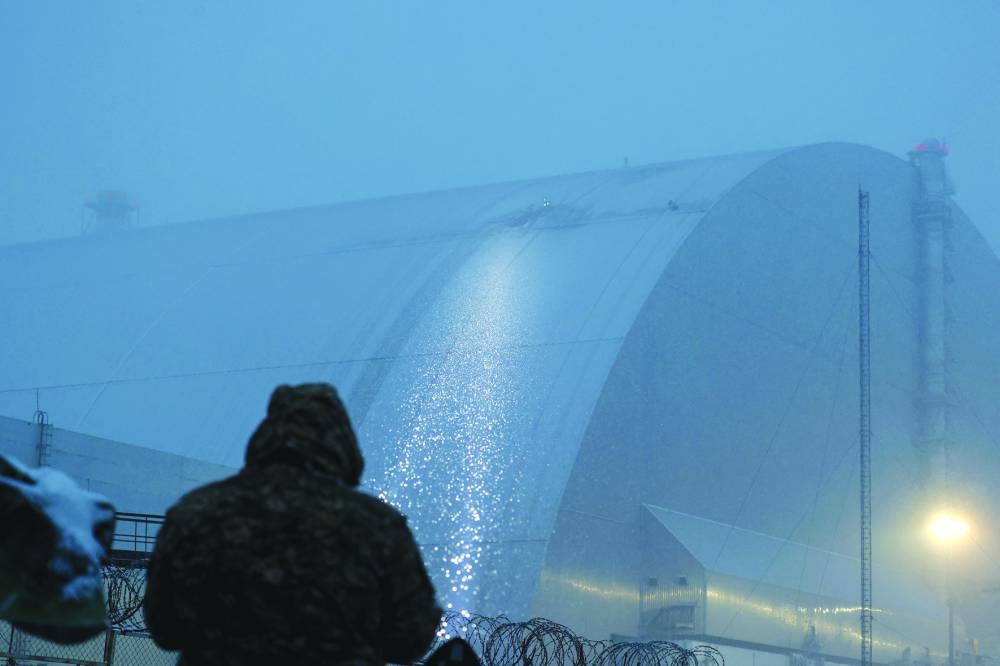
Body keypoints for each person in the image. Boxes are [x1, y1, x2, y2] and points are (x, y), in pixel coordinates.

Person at [143, 383, 441, 666]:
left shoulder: (197, 511)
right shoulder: (376, 524)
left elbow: (164, 628)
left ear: (265, 436)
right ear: (340, 442)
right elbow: (411, 637)